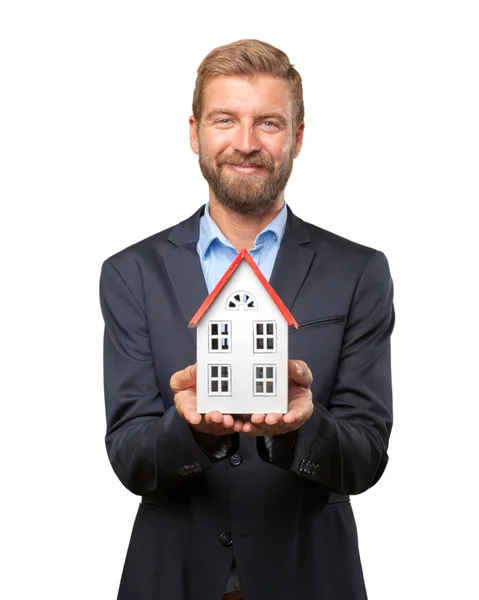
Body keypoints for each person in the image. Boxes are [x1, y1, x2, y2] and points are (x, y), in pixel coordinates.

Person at [99, 39, 394, 600]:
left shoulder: (360, 273)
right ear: (194, 133)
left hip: (310, 577)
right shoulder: (131, 274)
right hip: (172, 579)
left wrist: (303, 425)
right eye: (225, 119)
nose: (246, 143)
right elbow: (129, 455)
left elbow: (366, 455)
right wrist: (189, 431)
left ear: (298, 138)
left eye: (269, 123)